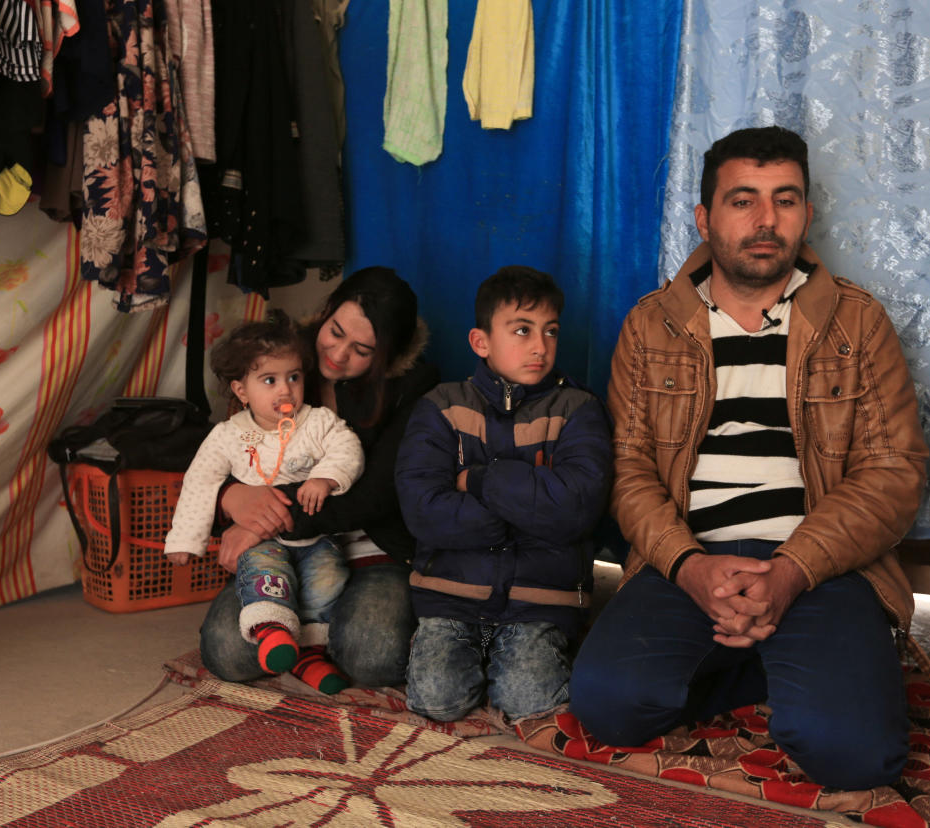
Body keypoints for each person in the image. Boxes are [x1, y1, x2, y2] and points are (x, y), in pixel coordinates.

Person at [569, 125, 929, 790]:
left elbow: (894, 472)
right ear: (705, 218)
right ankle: (776, 657)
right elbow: (629, 472)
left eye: (785, 200)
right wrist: (690, 567)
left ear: (808, 214)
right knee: (608, 705)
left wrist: (792, 570)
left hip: (821, 565)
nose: (766, 221)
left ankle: (813, 657)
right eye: (743, 201)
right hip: (692, 559)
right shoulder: (652, 325)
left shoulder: (857, 322)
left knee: (855, 756)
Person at [198, 267, 439, 687]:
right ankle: (311, 640)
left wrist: (262, 518)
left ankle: (319, 632)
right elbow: (226, 448)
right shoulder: (284, 359)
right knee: (226, 653)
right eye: (335, 331)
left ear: (388, 355)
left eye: (362, 349)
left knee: (372, 659)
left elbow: (375, 497)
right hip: (286, 549)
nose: (339, 354)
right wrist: (230, 496)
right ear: (325, 312)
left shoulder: (415, 389)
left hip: (372, 551)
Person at [394, 266, 613, 723]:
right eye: (522, 330)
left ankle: (539, 651)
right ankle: (464, 650)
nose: (540, 346)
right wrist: (528, 511)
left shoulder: (579, 409)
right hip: (451, 593)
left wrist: (477, 481)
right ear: (481, 342)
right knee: (438, 702)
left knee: (531, 704)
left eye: (550, 331)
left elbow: (577, 509)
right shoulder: (441, 406)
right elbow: (423, 510)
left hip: (541, 598)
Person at [165, 312, 364, 693]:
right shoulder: (229, 436)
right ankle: (271, 628)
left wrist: (327, 477)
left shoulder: (317, 421)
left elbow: (347, 447)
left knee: (327, 580)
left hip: (315, 539)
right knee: (264, 575)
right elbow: (201, 480)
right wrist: (185, 540)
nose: (285, 390)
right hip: (261, 540)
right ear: (242, 391)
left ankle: (306, 654)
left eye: (294, 377)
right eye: (269, 381)